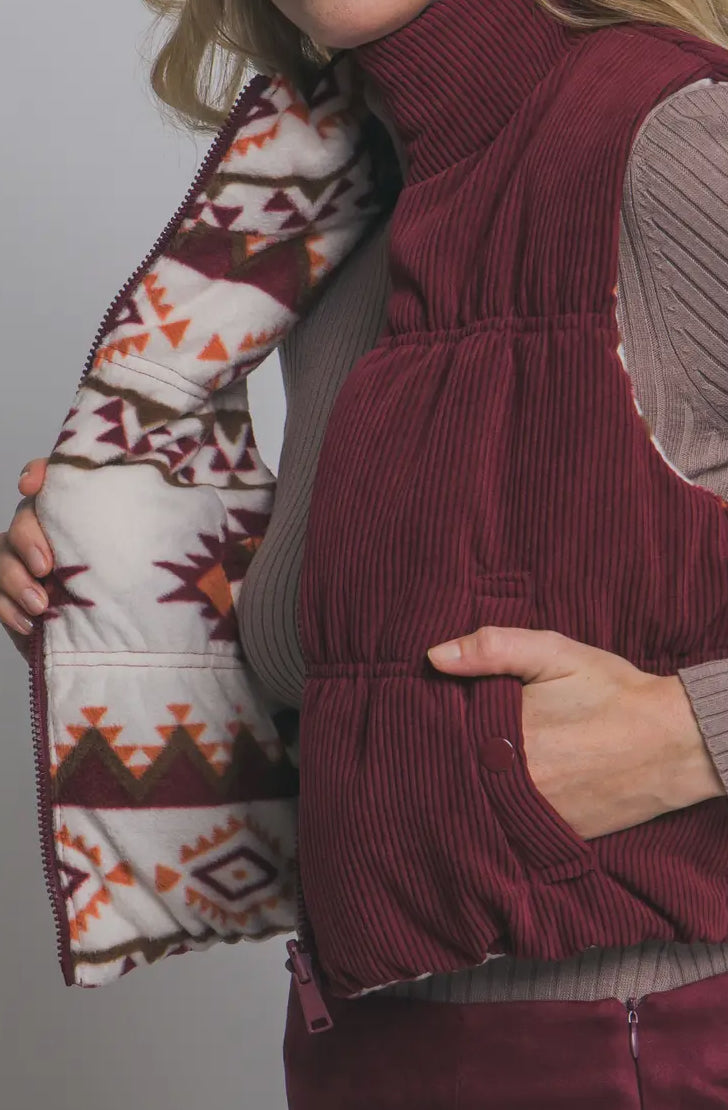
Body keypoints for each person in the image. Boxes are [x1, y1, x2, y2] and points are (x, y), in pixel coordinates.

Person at [5, 1, 728, 1105]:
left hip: (641, 1048)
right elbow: (379, 687)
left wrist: (692, 737)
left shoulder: (667, 134)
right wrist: (117, 590)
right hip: (368, 1043)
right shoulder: (334, 217)